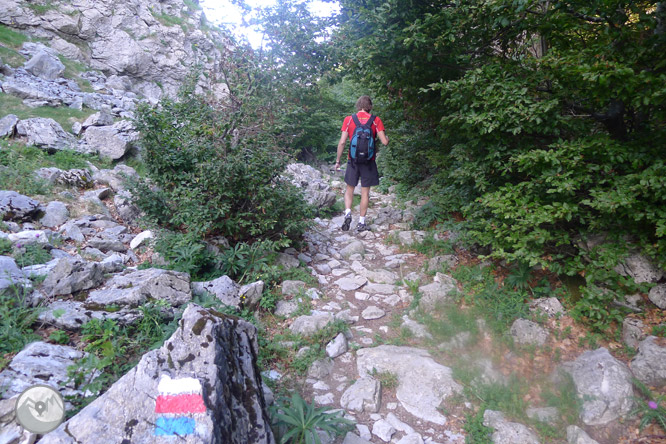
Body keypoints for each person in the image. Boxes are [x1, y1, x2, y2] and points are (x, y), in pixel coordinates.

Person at [335, 95, 389, 232]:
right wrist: (386, 137)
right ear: (370, 106)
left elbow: (342, 142)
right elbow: (384, 142)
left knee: (349, 189)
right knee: (365, 192)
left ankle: (348, 213)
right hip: (368, 161)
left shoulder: (348, 119)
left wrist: (337, 161)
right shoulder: (376, 120)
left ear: (358, 105)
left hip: (352, 160)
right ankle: (361, 223)